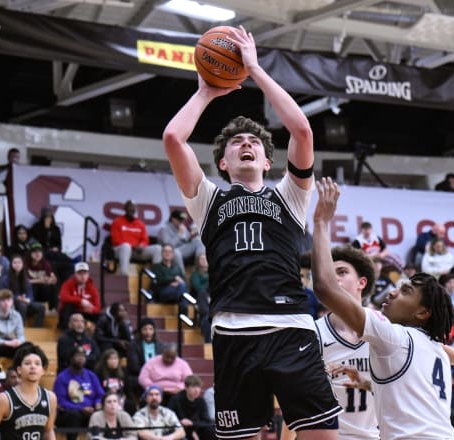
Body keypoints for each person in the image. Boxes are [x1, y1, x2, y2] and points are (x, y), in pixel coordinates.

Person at [162, 26, 342, 439]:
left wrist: (255, 69)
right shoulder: (208, 200)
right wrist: (207, 91)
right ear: (222, 163)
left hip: (291, 327)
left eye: (254, 143)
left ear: (266, 160)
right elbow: (174, 137)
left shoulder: (291, 196)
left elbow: (302, 131)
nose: (246, 144)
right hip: (233, 332)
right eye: (236, 142)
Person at [311, 177, 454, 439]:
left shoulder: (393, 336)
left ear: (422, 313)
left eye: (406, 291)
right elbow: (443, 349)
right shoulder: (428, 345)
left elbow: (325, 288)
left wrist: (321, 223)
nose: (393, 291)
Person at [314, 245, 378, 440]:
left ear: (362, 283)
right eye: (330, 274)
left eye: (342, 272)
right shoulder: (314, 333)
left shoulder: (383, 329)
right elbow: (297, 401)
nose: (334, 278)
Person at [0, 344, 57, 440]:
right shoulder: (4, 400)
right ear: (19, 370)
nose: (33, 366)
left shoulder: (50, 398)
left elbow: (48, 431)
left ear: (43, 370)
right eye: (28, 363)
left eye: (37, 363)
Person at [54, 346, 104, 440]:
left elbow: (100, 394)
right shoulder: (62, 377)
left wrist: (97, 404)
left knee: (101, 413)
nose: (81, 358)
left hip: (90, 411)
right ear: (71, 358)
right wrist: (81, 409)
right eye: (78, 356)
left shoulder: (91, 375)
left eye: (83, 356)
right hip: (68, 415)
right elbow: (61, 402)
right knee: (74, 415)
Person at [110, 200, 162, 276]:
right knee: (126, 246)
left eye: (133, 209)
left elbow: (145, 240)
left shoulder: (140, 224)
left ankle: (157, 277)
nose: (132, 210)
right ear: (125, 209)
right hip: (121, 250)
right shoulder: (117, 222)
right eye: (130, 208)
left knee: (158, 248)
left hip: (137, 251)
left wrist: (141, 246)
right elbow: (116, 240)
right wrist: (132, 246)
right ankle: (123, 276)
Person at [29, 206, 74, 283]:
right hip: (42, 252)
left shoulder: (56, 229)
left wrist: (56, 248)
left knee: (68, 262)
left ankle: (64, 282)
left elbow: (59, 244)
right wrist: (46, 230)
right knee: (53, 263)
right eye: (46, 217)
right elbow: (35, 244)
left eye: (50, 217)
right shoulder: (36, 228)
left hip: (54, 252)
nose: (48, 220)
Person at [1, 254, 45, 328]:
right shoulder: (6, 279)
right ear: (11, 265)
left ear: (22, 265)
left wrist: (28, 299)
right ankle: (21, 327)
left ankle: (37, 328)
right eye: (15, 263)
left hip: (25, 302)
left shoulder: (26, 279)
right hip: (12, 304)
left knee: (41, 307)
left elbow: (30, 294)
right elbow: (5, 294)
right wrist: (17, 298)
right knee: (22, 305)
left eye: (19, 263)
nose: (17, 265)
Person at [126, 318, 164, 402]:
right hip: (139, 375)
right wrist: (148, 374)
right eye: (145, 329)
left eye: (150, 329)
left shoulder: (160, 345)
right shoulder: (133, 345)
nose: (148, 332)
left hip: (157, 376)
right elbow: (134, 366)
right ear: (140, 331)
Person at [167, 375, 215, 440]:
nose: (196, 390)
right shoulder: (176, 400)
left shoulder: (201, 401)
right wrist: (190, 431)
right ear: (186, 388)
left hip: (196, 428)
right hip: (181, 430)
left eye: (198, 387)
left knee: (210, 431)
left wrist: (192, 423)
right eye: (193, 387)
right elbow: (168, 419)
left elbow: (207, 422)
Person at [0, 289, 26, 358]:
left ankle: (17, 367)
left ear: (12, 302)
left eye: (8, 300)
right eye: (3, 300)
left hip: (11, 343)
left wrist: (18, 342)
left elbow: (21, 336)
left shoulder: (17, 315)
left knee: (27, 346)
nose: (6, 303)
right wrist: (6, 343)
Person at [58, 262, 101, 329]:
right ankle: (67, 332)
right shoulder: (68, 284)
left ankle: (97, 336)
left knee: (100, 316)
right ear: (75, 274)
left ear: (88, 275)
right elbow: (63, 297)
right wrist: (81, 301)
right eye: (80, 273)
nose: (82, 276)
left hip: (85, 313)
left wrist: (92, 309)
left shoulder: (92, 288)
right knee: (68, 306)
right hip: (72, 312)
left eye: (85, 273)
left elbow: (97, 307)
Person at [150, 245, 190, 310]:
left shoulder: (177, 268)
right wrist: (174, 279)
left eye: (170, 252)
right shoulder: (156, 267)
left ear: (173, 254)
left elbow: (182, 280)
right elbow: (159, 280)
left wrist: (176, 283)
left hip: (176, 291)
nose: (167, 253)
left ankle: (183, 310)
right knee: (182, 288)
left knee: (182, 286)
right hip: (162, 292)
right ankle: (184, 312)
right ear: (161, 253)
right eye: (165, 251)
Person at [95, 349, 131, 414]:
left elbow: (126, 389)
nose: (113, 361)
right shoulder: (99, 372)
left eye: (115, 359)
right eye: (110, 359)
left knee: (130, 404)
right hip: (106, 399)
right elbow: (98, 390)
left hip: (120, 398)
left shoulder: (123, 372)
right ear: (105, 361)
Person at [26, 242, 58, 312]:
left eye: (40, 252)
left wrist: (52, 279)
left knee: (52, 286)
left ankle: (53, 309)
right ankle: (31, 309)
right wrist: (40, 280)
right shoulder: (26, 263)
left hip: (42, 290)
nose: (37, 254)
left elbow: (51, 277)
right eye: (35, 252)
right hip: (30, 290)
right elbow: (26, 281)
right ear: (30, 253)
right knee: (33, 286)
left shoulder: (45, 263)